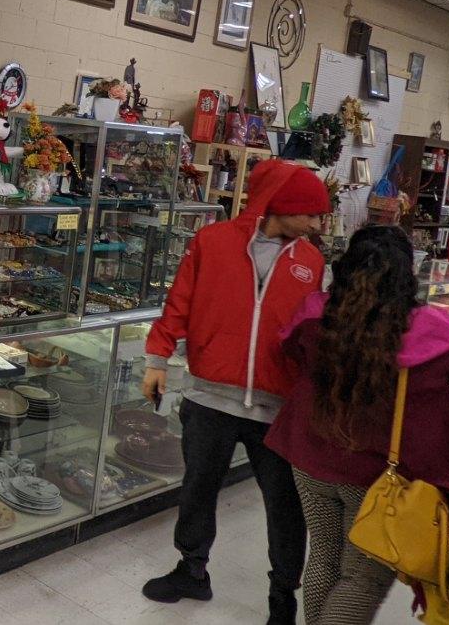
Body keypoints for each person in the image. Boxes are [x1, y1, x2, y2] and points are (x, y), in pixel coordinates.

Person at [266, 225, 449, 624]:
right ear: (406, 274)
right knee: (363, 576)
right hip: (379, 475)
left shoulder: (316, 311)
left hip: (310, 457)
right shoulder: (433, 329)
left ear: (346, 266)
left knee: (324, 554)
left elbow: (289, 346)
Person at [141, 158, 333, 624]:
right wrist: (156, 358)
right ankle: (192, 569)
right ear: (280, 206)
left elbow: (316, 332)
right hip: (209, 395)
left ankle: (282, 597)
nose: (316, 224)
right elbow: (179, 302)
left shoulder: (312, 261)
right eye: (310, 214)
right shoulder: (212, 242)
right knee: (198, 489)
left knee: (284, 507)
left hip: (277, 407)